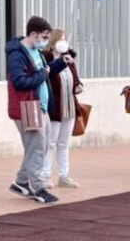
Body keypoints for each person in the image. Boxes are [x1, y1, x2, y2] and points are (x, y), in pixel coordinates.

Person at [7, 16, 63, 205]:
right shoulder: (17, 54)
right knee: (37, 148)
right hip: (28, 107)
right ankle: (38, 187)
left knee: (41, 146)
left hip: (41, 107)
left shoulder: (35, 51)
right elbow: (20, 81)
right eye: (44, 37)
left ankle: (21, 182)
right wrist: (42, 74)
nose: (45, 41)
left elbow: (45, 71)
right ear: (33, 34)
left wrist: (62, 62)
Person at [39, 29, 84, 189]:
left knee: (63, 143)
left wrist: (79, 85)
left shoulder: (69, 59)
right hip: (55, 108)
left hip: (70, 106)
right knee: (50, 143)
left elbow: (75, 78)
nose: (63, 42)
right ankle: (44, 176)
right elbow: (46, 77)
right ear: (52, 41)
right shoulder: (46, 58)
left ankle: (63, 176)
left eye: (65, 39)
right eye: (60, 39)